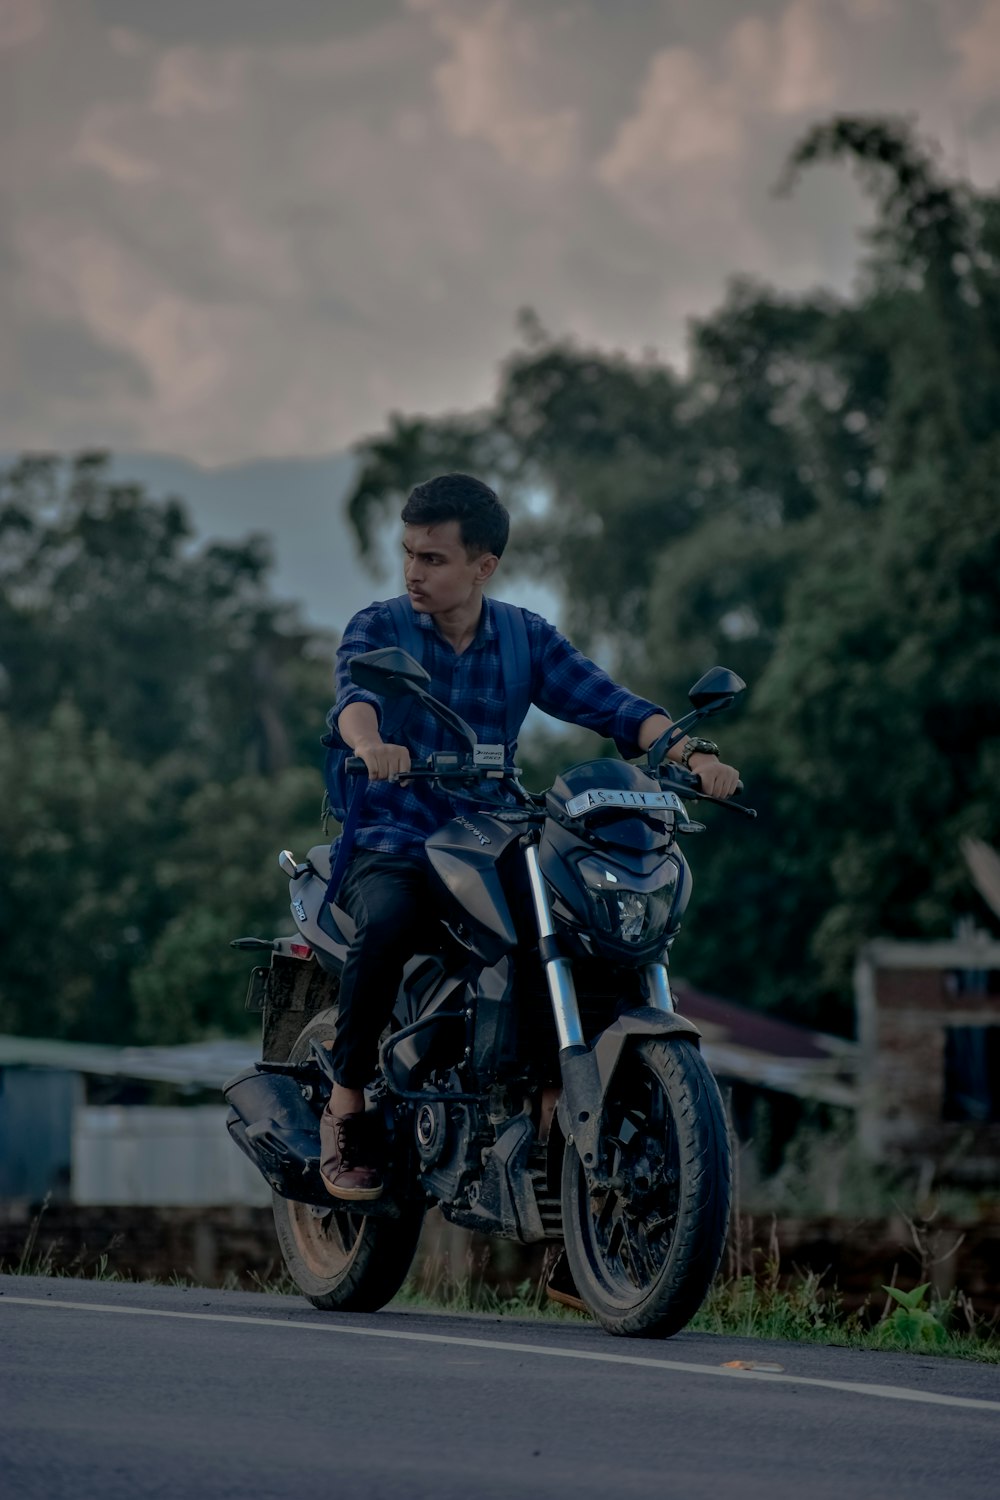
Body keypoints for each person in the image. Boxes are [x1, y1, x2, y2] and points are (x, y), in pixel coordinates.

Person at [320, 473, 740, 1201]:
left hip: (491, 834)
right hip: (396, 831)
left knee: (583, 925)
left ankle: (555, 1126)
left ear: (484, 567)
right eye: (410, 554)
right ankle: (347, 1102)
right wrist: (371, 747)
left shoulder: (524, 638)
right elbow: (355, 700)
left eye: (435, 559)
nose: (415, 572)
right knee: (387, 922)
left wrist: (691, 756)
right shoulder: (380, 628)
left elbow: (613, 706)